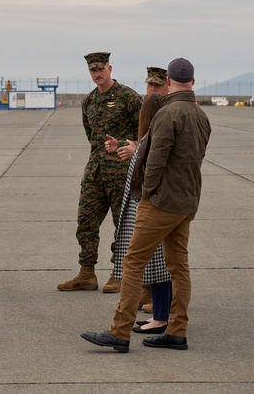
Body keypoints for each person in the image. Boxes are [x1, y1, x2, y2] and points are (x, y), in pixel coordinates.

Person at [82, 57, 211, 352]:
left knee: (133, 261)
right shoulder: (200, 116)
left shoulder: (168, 114)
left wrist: (147, 194)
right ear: (193, 81)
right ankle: (177, 330)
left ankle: (120, 331)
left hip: (161, 203)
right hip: (187, 201)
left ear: (168, 82)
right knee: (178, 266)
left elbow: (155, 162)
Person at [58, 53, 141, 293]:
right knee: (85, 222)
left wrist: (124, 144)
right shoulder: (89, 102)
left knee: (123, 225)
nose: (97, 74)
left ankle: (119, 274)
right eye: (93, 70)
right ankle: (86, 274)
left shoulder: (129, 98)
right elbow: (91, 137)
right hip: (95, 172)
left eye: (101, 69)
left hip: (122, 173)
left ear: (110, 68)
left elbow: (144, 136)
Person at [106, 93, 172, 334]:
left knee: (150, 265)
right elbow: (143, 152)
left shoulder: (153, 138)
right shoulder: (151, 138)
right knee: (158, 266)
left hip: (148, 208)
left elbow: (150, 164)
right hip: (153, 206)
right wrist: (130, 148)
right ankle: (160, 316)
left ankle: (142, 322)